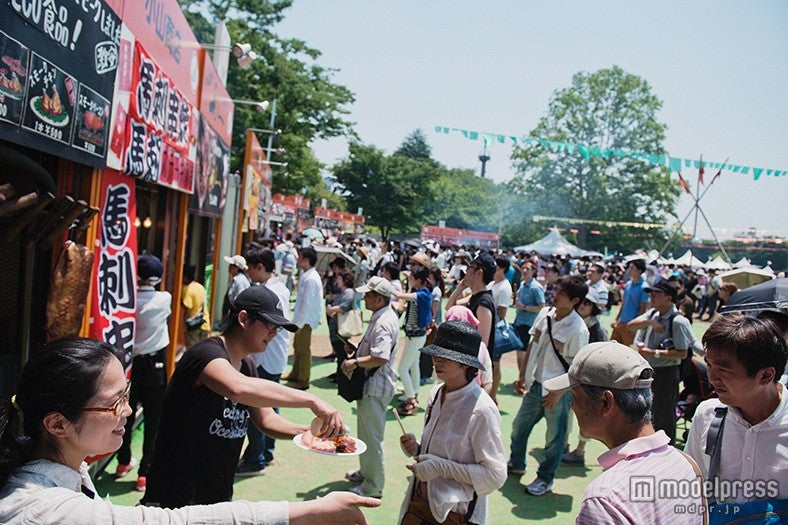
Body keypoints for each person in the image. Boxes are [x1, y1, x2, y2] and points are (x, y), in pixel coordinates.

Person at [0, 337, 379, 523]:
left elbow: (264, 418)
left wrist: (307, 433)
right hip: (179, 485)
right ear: (57, 424)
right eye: (114, 403)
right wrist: (308, 512)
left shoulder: (63, 466)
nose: (127, 410)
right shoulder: (44, 509)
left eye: (127, 395)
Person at [142, 286, 345, 508]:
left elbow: (267, 420)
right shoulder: (205, 354)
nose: (274, 333)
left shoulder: (247, 365)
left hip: (216, 495)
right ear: (244, 319)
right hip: (175, 495)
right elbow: (237, 388)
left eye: (277, 328)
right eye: (270, 325)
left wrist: (310, 434)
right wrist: (311, 400)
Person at [542, 341, 704, 524]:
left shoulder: (605, 501)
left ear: (605, 403)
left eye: (574, 396)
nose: (572, 405)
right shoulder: (688, 464)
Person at [397, 321, 507, 525]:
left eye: (445, 357)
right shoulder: (435, 393)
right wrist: (417, 447)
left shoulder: (482, 409)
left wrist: (441, 467)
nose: (436, 361)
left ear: (466, 364)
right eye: (435, 354)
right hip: (421, 505)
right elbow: (442, 450)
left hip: (457, 515)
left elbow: (495, 475)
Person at [685, 314, 788, 518]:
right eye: (709, 365)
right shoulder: (707, 415)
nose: (712, 378)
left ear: (766, 375)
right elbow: (691, 486)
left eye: (724, 369)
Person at [508, 275, 589, 496]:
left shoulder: (578, 329)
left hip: (559, 391)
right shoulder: (545, 313)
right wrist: (523, 375)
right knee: (519, 426)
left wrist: (559, 393)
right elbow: (533, 344)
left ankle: (545, 478)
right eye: (556, 290)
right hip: (537, 384)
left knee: (554, 439)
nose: (556, 295)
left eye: (562, 293)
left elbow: (576, 370)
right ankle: (516, 462)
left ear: (575, 300)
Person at [116, 254, 171, 492]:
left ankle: (122, 462)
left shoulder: (126, 301)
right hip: (155, 365)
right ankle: (144, 474)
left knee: (125, 416)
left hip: (128, 365)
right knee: (153, 420)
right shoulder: (164, 298)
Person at [341, 276, 400, 499]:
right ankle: (367, 473)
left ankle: (374, 486)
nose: (364, 298)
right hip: (374, 385)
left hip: (376, 386)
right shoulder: (383, 316)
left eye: (368, 295)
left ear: (379, 299)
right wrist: (357, 351)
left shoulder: (383, 322)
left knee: (372, 438)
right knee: (366, 434)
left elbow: (380, 357)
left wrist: (355, 362)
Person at [236, 247, 293, 476]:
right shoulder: (278, 288)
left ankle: (255, 459)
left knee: (257, 409)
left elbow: (272, 328)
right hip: (271, 357)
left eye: (250, 268)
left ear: (260, 267)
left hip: (265, 358)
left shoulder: (272, 292)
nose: (248, 272)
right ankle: (265, 452)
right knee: (270, 404)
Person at [628, 280, 693, 445]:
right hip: (648, 372)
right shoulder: (652, 314)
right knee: (645, 414)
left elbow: (682, 352)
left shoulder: (678, 321)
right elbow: (630, 325)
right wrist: (650, 322)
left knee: (664, 417)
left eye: (657, 293)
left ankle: (667, 452)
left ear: (669, 298)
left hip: (666, 374)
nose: (652, 296)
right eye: (651, 293)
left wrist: (653, 353)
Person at [561, 286, 610, 465]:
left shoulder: (597, 329)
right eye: (582, 301)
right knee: (567, 412)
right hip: (572, 376)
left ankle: (580, 451)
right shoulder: (572, 322)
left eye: (588, 303)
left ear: (594, 307)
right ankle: (564, 444)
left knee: (585, 416)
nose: (583, 305)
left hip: (590, 381)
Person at [393, 266, 433, 416]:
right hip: (416, 336)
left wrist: (387, 287)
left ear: (418, 280)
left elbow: (400, 295)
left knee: (402, 368)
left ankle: (410, 397)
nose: (409, 280)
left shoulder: (422, 294)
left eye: (411, 278)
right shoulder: (422, 293)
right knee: (414, 365)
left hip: (416, 336)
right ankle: (413, 392)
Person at [283, 247, 323, 390]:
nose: (297, 259)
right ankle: (296, 373)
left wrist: (299, 324)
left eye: (299, 257)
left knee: (303, 350)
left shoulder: (310, 278)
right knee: (298, 347)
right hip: (302, 319)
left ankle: (303, 379)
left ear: (306, 260)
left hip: (305, 320)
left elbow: (307, 304)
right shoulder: (307, 275)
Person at [513, 260, 545, 395]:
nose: (524, 271)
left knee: (523, 353)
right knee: (519, 352)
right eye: (523, 268)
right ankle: (521, 378)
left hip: (528, 323)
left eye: (527, 268)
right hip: (519, 321)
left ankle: (524, 381)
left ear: (533, 271)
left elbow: (541, 306)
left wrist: (524, 307)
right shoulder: (522, 284)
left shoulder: (536, 287)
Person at [445, 305, 494, 395]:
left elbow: (439, 380)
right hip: (475, 397)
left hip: (450, 398)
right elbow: (488, 382)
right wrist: (480, 400)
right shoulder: (481, 347)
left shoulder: (444, 348)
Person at [610, 258, 649, 346]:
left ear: (639, 271)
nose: (629, 270)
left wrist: (636, 326)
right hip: (621, 321)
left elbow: (642, 309)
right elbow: (623, 304)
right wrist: (616, 319)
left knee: (628, 349)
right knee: (613, 346)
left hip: (631, 323)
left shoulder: (644, 287)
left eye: (632, 268)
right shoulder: (628, 284)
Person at [181, 264, 210, 347]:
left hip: (194, 326)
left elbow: (187, 306)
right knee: (202, 350)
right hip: (205, 322)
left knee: (192, 350)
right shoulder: (200, 287)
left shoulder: (187, 289)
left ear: (185, 277)